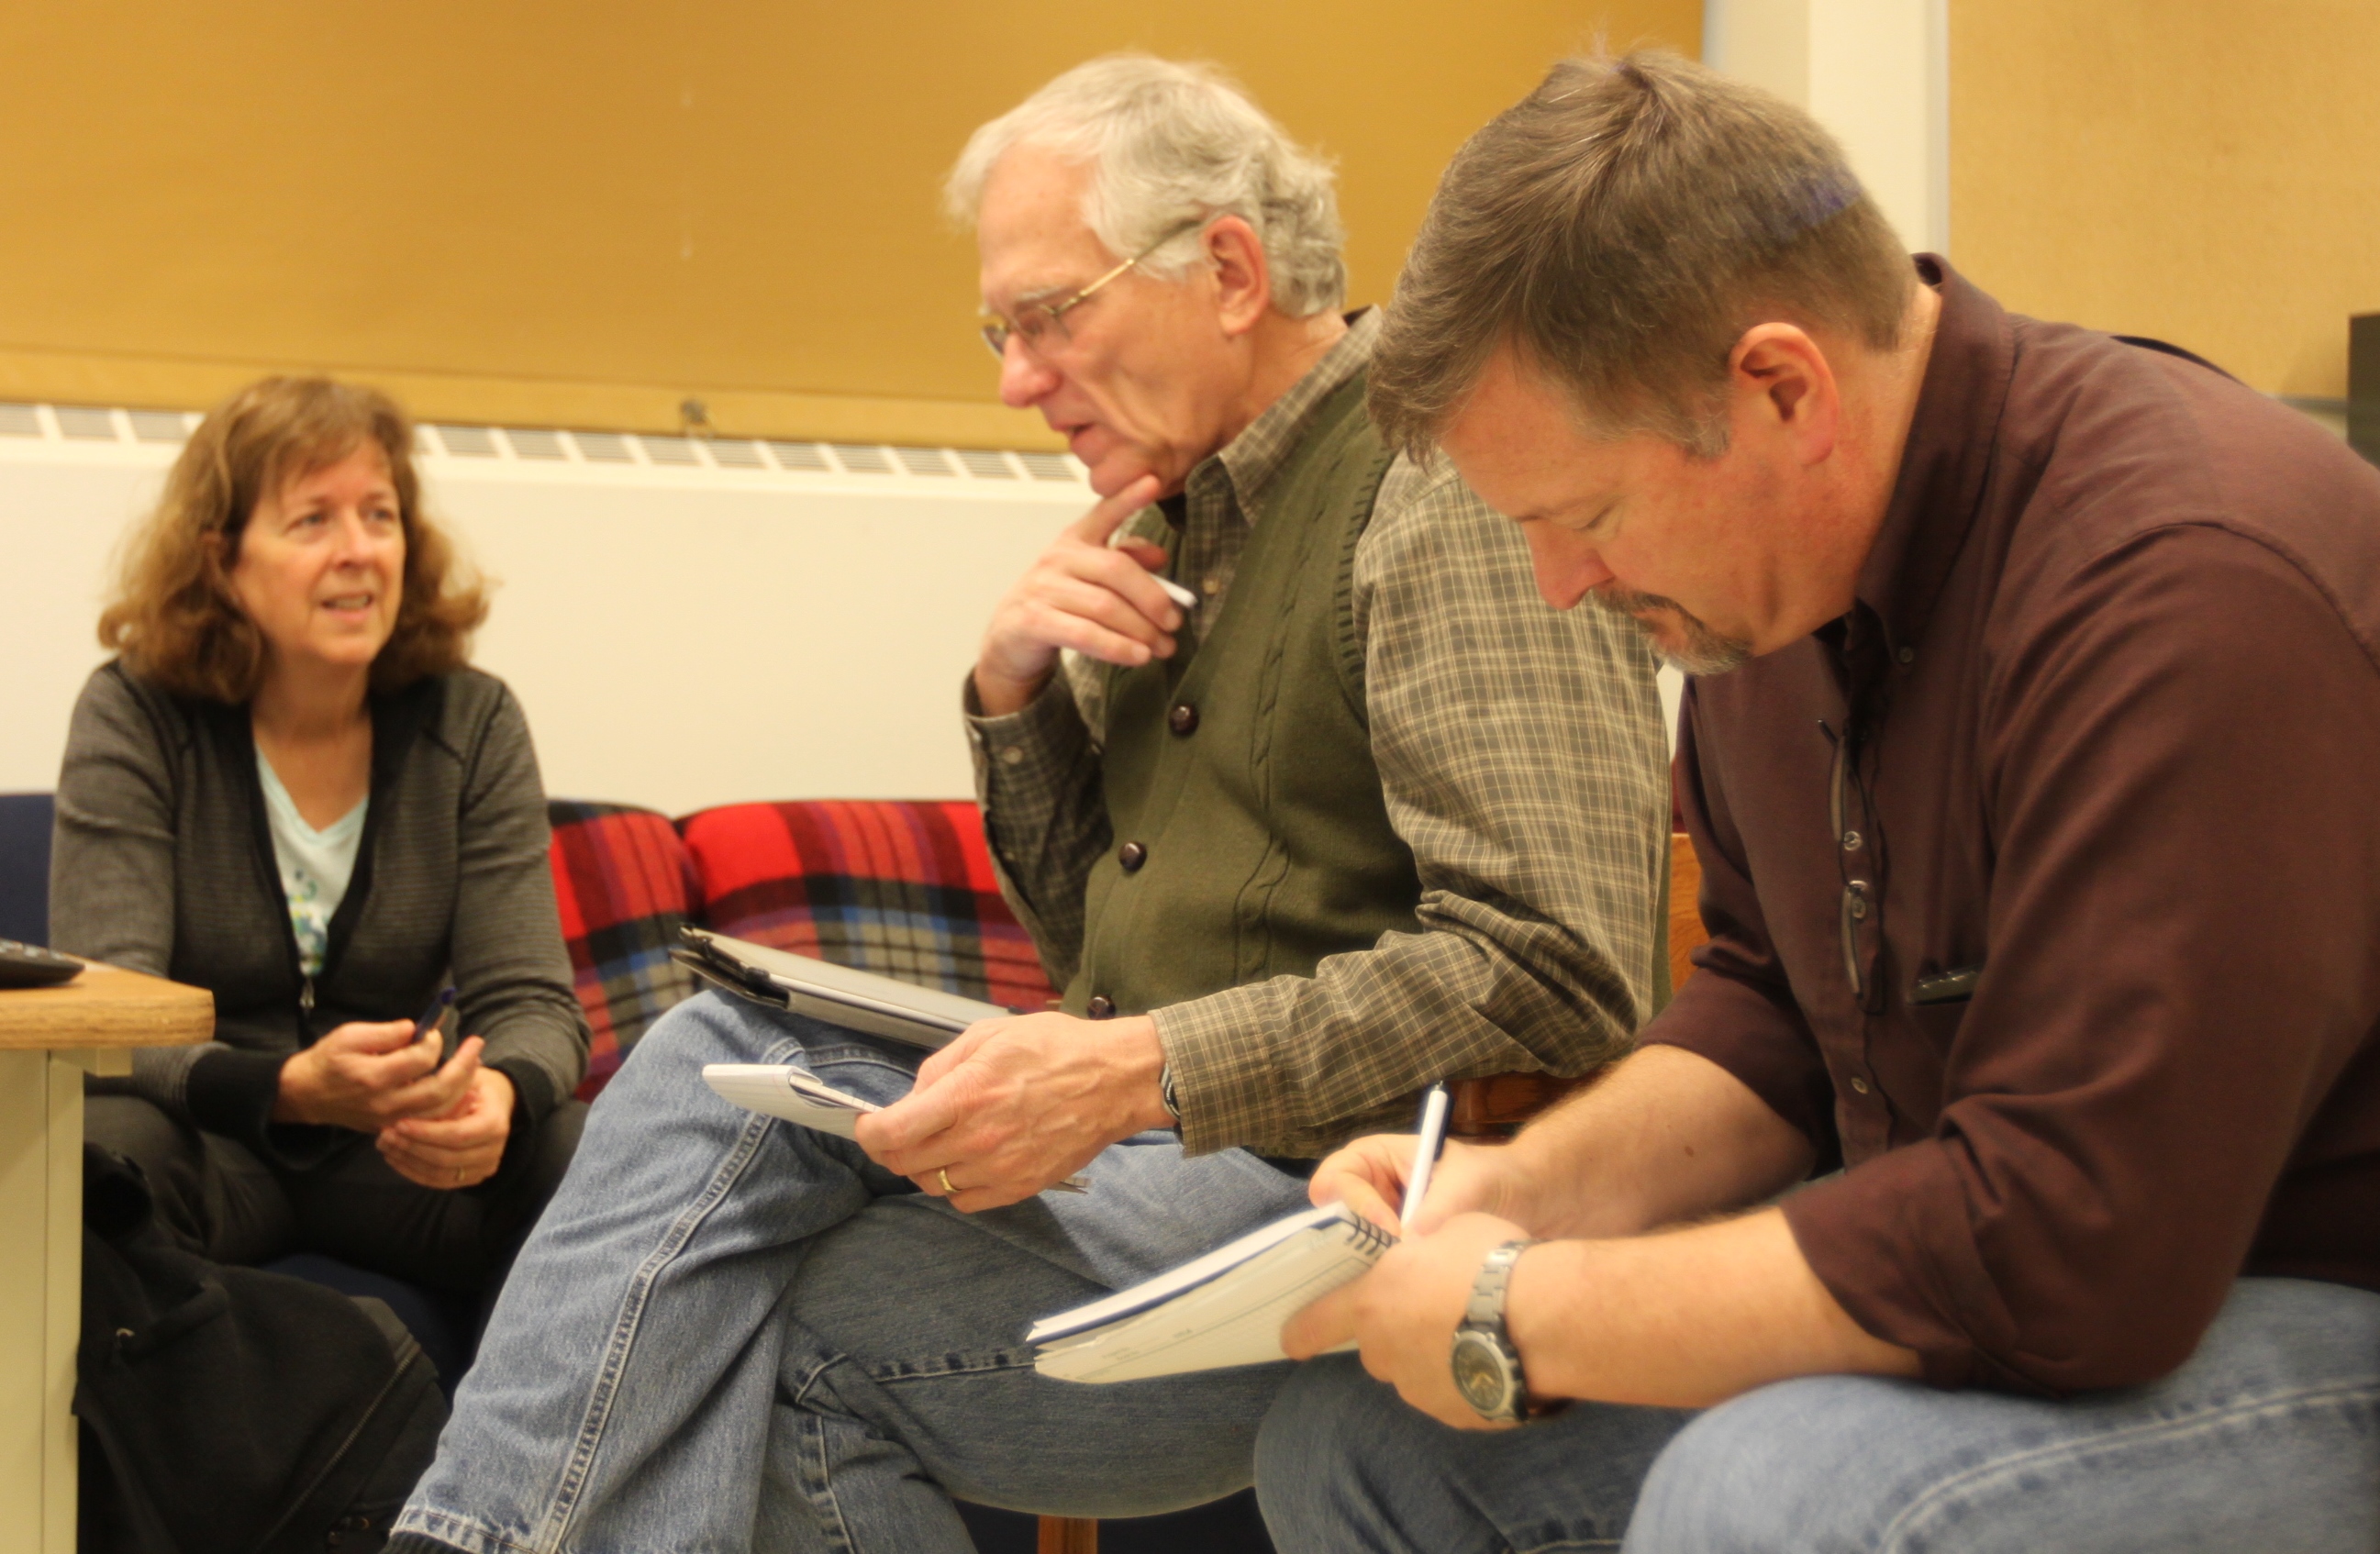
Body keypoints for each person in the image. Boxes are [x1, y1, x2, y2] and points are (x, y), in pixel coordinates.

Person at [392, 54, 1669, 1554]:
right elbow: (1097, 953)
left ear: (1230, 270)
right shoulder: (1171, 523)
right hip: (1176, 1178)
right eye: (999, 329)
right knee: (748, 1283)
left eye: (1050, 315)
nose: (1012, 378)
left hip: (1358, 1205)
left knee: (706, 1066)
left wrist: (1136, 1068)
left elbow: (1558, 966)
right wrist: (1014, 694)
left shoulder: (1438, 487)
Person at [1255, 50, 2380, 1554]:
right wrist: (1517, 1193)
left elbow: (2069, 1240)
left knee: (1778, 1492)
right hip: (2035, 1251)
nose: (1559, 583)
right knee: (1359, 1448)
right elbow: (1773, 1010)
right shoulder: (1757, 588)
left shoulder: (2179, 581)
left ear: (1777, 388)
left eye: (1583, 515)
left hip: (2297, 1294)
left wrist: (1525, 1304)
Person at [52, 376, 590, 1309]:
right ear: (223, 559)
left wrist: (499, 1094)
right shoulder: (136, 712)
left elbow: (533, 999)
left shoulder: (472, 723)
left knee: (579, 1148)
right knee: (99, 1148)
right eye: (311, 521)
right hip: (208, 1137)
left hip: (404, 1153)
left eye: (378, 515)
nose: (358, 553)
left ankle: (560, 1452)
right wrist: (287, 1086)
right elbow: (113, 1015)